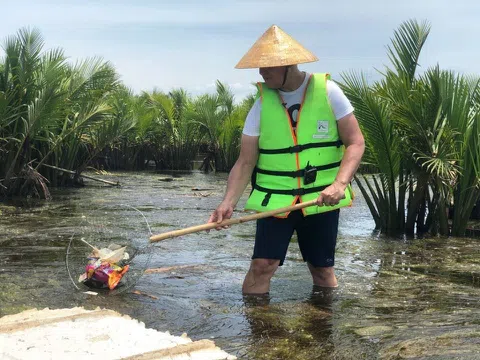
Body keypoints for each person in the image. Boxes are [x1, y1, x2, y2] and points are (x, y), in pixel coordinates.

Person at [208, 25, 365, 295]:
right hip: (276, 200)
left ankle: (323, 333)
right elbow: (245, 162)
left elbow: (356, 142)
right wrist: (227, 203)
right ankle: (255, 335)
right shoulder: (260, 105)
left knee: (322, 269)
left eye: (268, 66)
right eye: (259, 67)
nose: (261, 72)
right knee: (262, 265)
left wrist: (340, 184)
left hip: (321, 198)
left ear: (289, 65)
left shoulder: (329, 92)